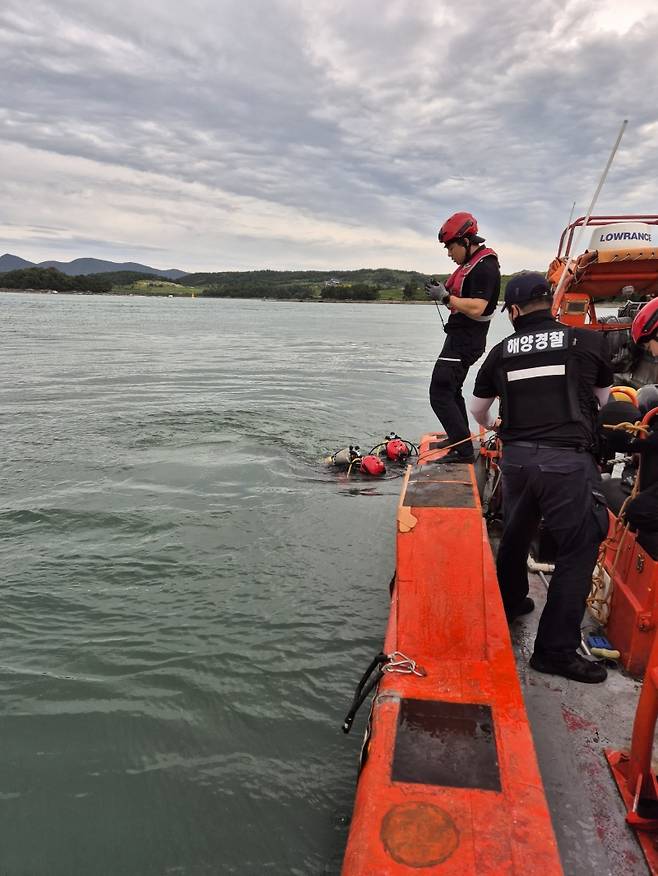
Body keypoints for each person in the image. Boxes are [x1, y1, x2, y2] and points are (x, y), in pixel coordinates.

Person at [468, 271, 614, 683]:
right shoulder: (586, 341)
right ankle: (553, 651)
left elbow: (478, 409)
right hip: (567, 464)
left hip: (516, 461)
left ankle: (512, 601)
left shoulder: (500, 352)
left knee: (515, 534)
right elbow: (601, 401)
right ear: (550, 303)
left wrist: (502, 423)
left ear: (513, 311)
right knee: (577, 549)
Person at [425, 212, 500, 463]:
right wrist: (445, 292)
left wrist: (445, 297)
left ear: (466, 241)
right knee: (451, 388)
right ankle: (458, 437)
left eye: (450, 247)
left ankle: (463, 452)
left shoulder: (485, 267)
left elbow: (478, 307)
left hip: (466, 340)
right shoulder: (473, 265)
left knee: (439, 390)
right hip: (460, 337)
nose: (449, 253)